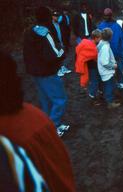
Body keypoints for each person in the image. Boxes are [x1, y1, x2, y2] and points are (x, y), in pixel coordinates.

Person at [0, 51, 76, 192]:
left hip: (39, 73)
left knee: (48, 100)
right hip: (44, 73)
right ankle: (56, 123)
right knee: (57, 99)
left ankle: (56, 123)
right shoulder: (30, 127)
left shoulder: (30, 124)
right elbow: (59, 180)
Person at [23, 6, 70, 136]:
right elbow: (54, 54)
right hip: (47, 72)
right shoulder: (45, 32)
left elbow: (26, 54)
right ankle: (54, 127)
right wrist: (63, 51)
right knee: (60, 99)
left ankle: (48, 126)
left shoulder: (29, 31)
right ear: (47, 16)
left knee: (46, 100)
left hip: (34, 72)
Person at [97, 8, 123, 89]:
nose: (106, 17)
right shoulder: (101, 26)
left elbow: (122, 38)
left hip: (116, 53)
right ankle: (106, 87)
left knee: (118, 68)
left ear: (111, 16)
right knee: (106, 70)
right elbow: (97, 39)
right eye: (105, 15)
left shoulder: (117, 26)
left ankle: (120, 82)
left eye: (108, 15)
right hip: (105, 53)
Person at [97, 28, 121, 109]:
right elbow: (105, 62)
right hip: (106, 71)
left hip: (102, 70)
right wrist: (113, 66)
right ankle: (110, 103)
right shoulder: (105, 47)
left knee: (108, 85)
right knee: (109, 86)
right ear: (110, 37)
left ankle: (107, 97)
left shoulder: (101, 42)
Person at [75, 29, 102, 100]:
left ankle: (95, 91)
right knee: (94, 81)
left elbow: (78, 50)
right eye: (100, 38)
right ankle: (92, 95)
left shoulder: (85, 42)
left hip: (88, 65)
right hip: (92, 66)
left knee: (93, 80)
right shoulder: (92, 48)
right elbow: (96, 57)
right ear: (96, 38)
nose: (101, 40)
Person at [49, 10, 72, 77]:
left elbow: (63, 33)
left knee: (62, 55)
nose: (56, 17)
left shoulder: (60, 24)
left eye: (57, 16)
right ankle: (58, 69)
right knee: (57, 56)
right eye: (55, 16)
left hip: (61, 42)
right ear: (52, 17)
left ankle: (63, 68)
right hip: (55, 43)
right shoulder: (50, 25)